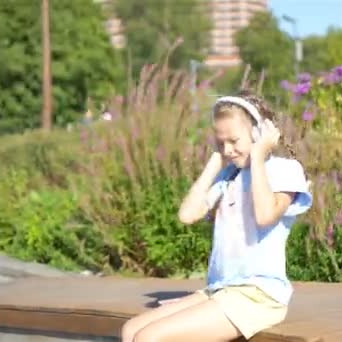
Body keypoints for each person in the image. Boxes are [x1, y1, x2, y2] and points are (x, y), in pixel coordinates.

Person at [121, 90, 312, 341]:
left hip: (259, 295)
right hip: (219, 290)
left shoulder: (284, 170)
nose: (228, 149)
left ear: (258, 134)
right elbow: (187, 215)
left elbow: (266, 215)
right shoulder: (229, 175)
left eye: (234, 140)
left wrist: (257, 156)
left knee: (151, 338)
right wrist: (215, 162)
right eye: (221, 142)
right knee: (131, 330)